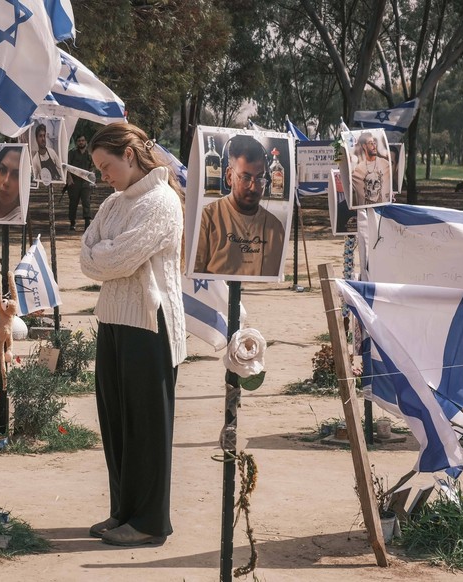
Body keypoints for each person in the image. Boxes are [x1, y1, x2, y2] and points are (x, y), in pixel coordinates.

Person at [79, 122, 185, 547]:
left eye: (107, 165)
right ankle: (123, 510)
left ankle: (150, 521)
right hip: (113, 319)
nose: (104, 175)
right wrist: (104, 254)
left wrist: (104, 254)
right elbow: (87, 254)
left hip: (150, 321)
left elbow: (117, 258)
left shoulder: (160, 202)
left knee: (146, 425)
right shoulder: (113, 204)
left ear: (130, 155)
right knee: (117, 422)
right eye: (99, 168)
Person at [193, 135, 285, 277]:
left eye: (260, 178)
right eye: (246, 178)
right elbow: (194, 279)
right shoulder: (206, 220)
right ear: (229, 177)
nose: (254, 188)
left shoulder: (275, 228)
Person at [350, 131, 391, 206]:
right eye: (370, 143)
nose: (374, 145)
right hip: (365, 213)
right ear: (364, 146)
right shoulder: (358, 169)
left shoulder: (386, 165)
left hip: (383, 212)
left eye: (374, 142)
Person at [66, 134, 93, 231]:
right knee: (73, 203)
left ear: (85, 141)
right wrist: (69, 178)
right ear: (77, 142)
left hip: (86, 182)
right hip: (74, 182)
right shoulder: (72, 153)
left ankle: (87, 223)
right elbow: (67, 167)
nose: (81, 142)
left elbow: (92, 167)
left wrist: (92, 180)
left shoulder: (89, 154)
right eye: (79, 141)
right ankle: (72, 222)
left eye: (82, 140)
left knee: (86, 202)